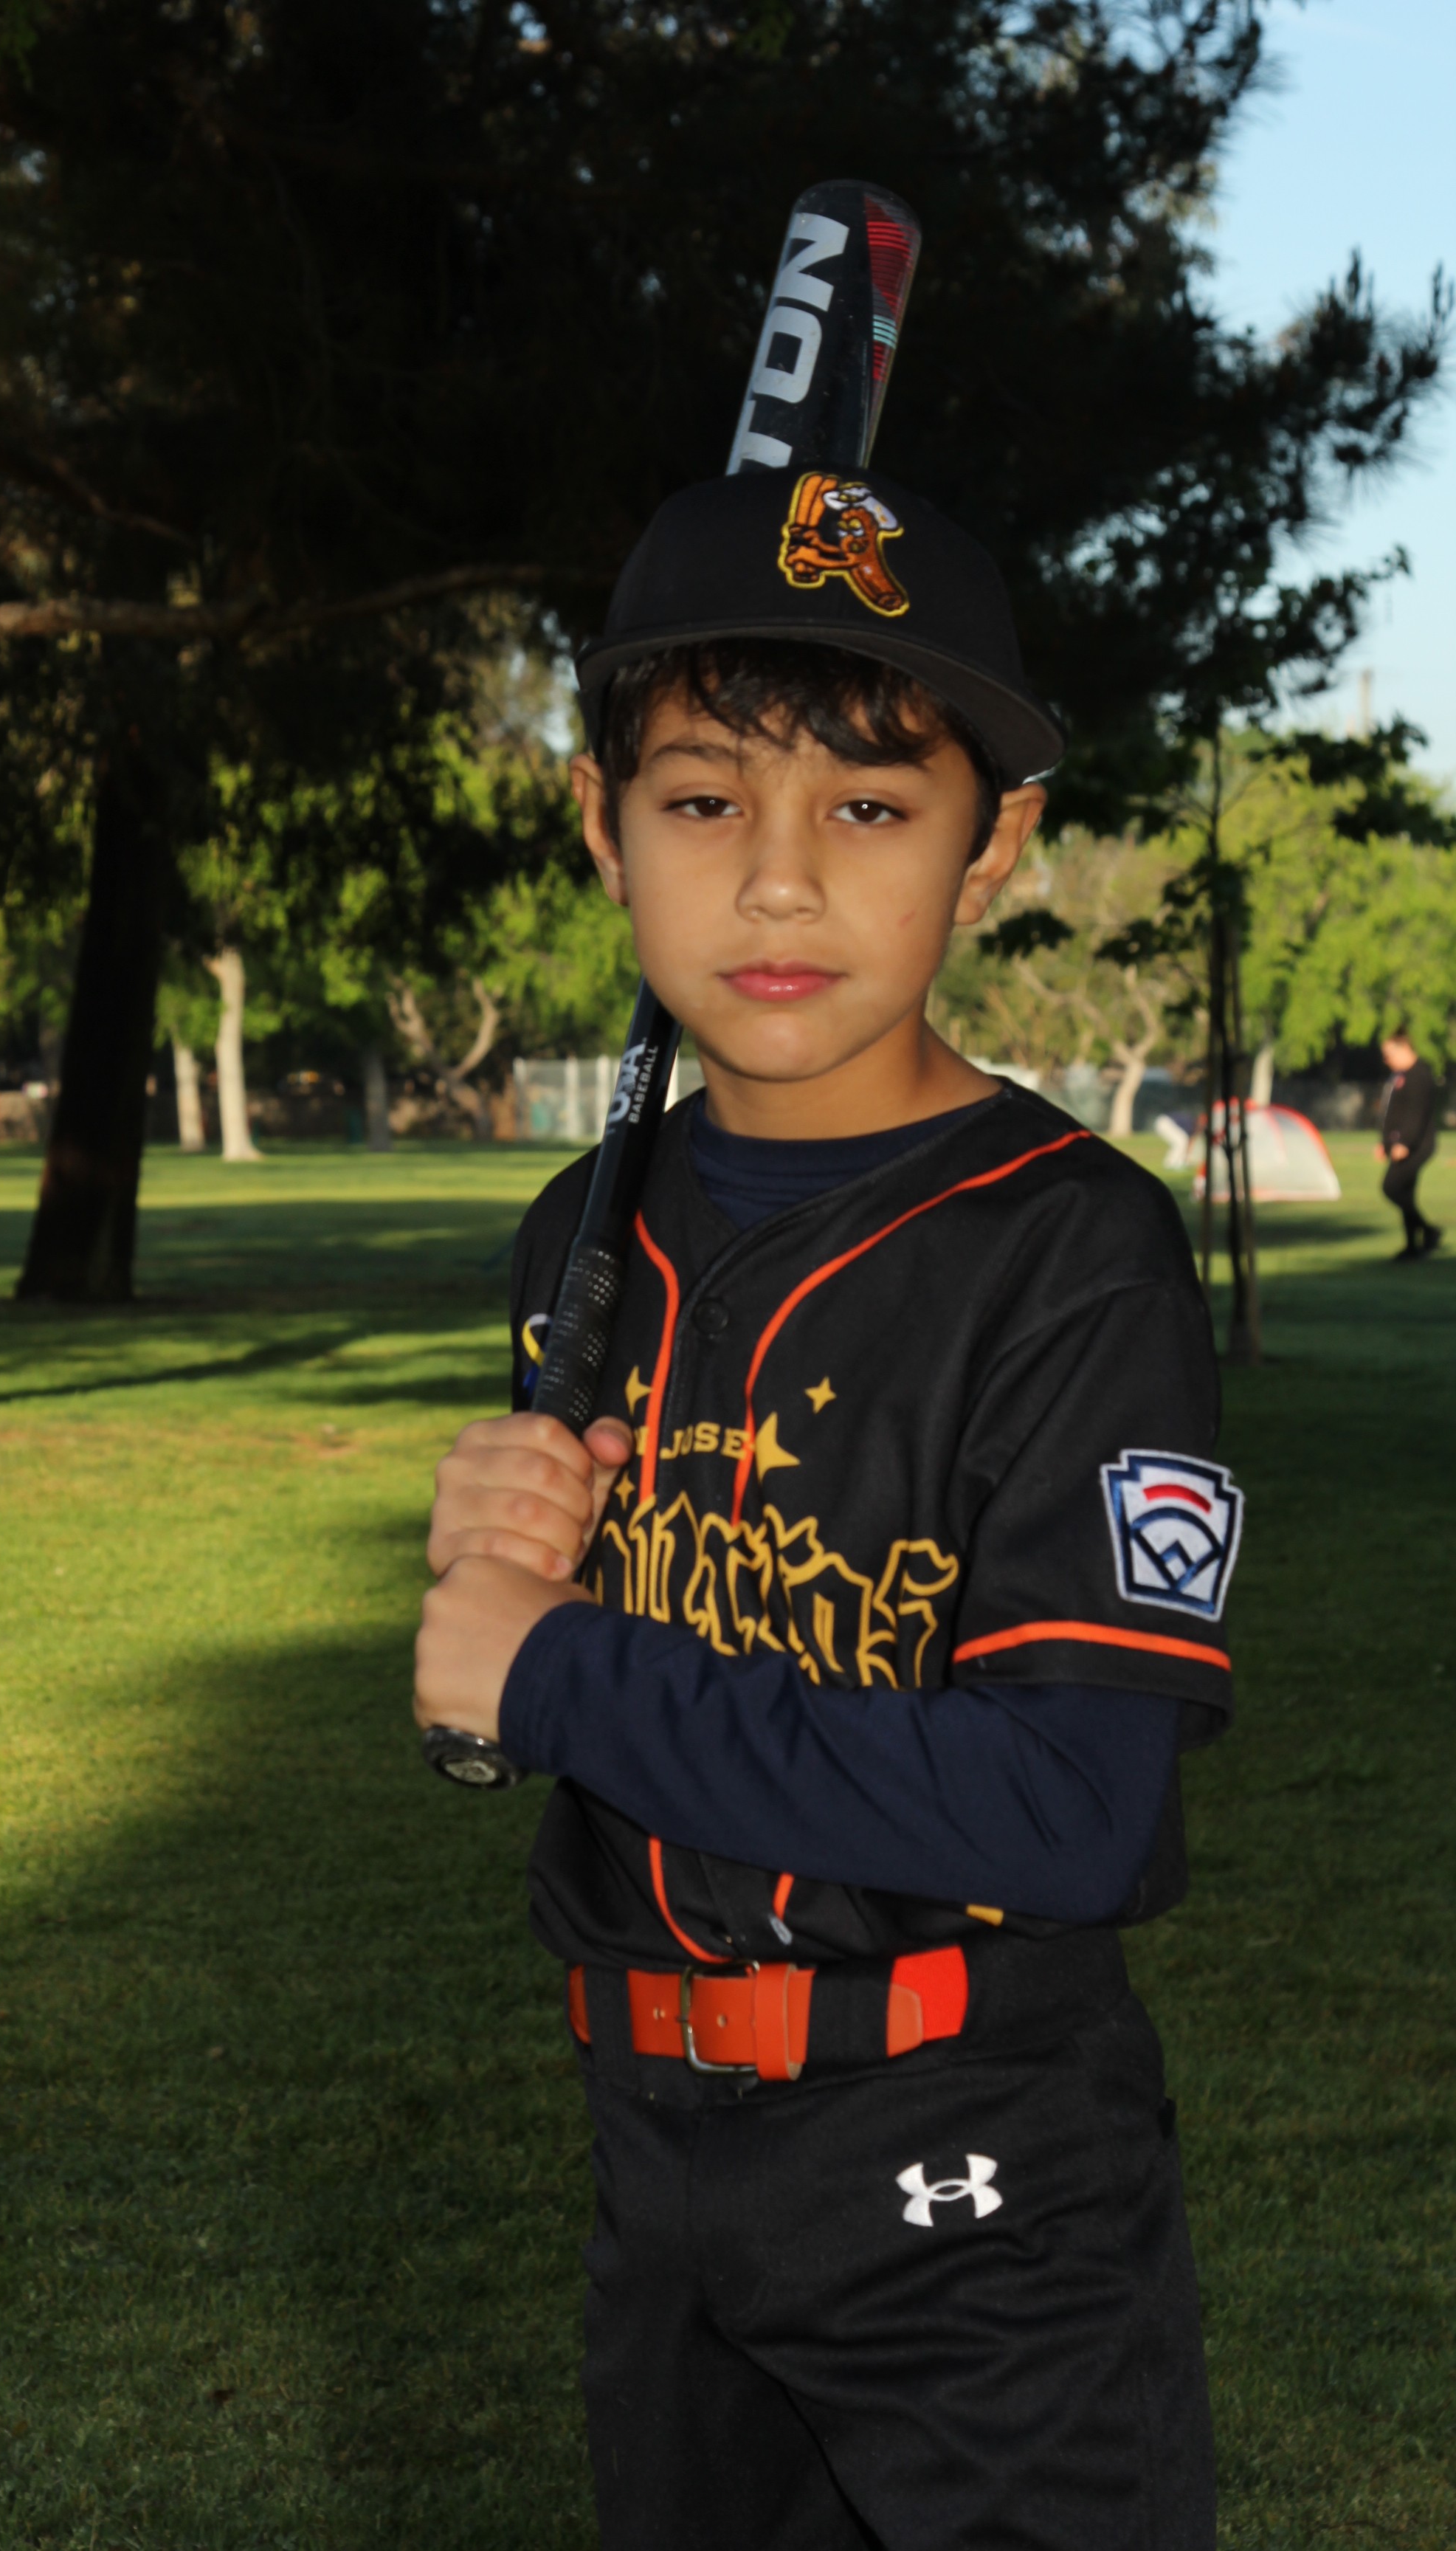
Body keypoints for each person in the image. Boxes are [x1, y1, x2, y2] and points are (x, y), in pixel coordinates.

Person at [414, 468, 1241, 2551]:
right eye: (703, 801)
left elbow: (1073, 1809)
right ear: (600, 824)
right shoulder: (578, 1234)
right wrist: (511, 1587)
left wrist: (561, 1671)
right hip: (657, 2146)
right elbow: (561, 1695)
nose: (778, 881)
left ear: (992, 847)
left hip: (979, 2187)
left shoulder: (1072, 1254)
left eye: (869, 807)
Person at [1376, 1028, 1442, 1260]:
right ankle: (1412, 1247)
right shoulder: (1400, 1076)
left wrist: (1404, 1143)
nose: (1386, 1061)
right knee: (1406, 1193)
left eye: (1389, 1055)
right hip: (1401, 1145)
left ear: (1404, 1049)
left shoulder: (1419, 1075)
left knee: (1391, 1187)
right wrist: (1385, 1143)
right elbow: (1393, 1113)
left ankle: (1429, 1231)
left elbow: (1416, 1114)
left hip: (1417, 1146)